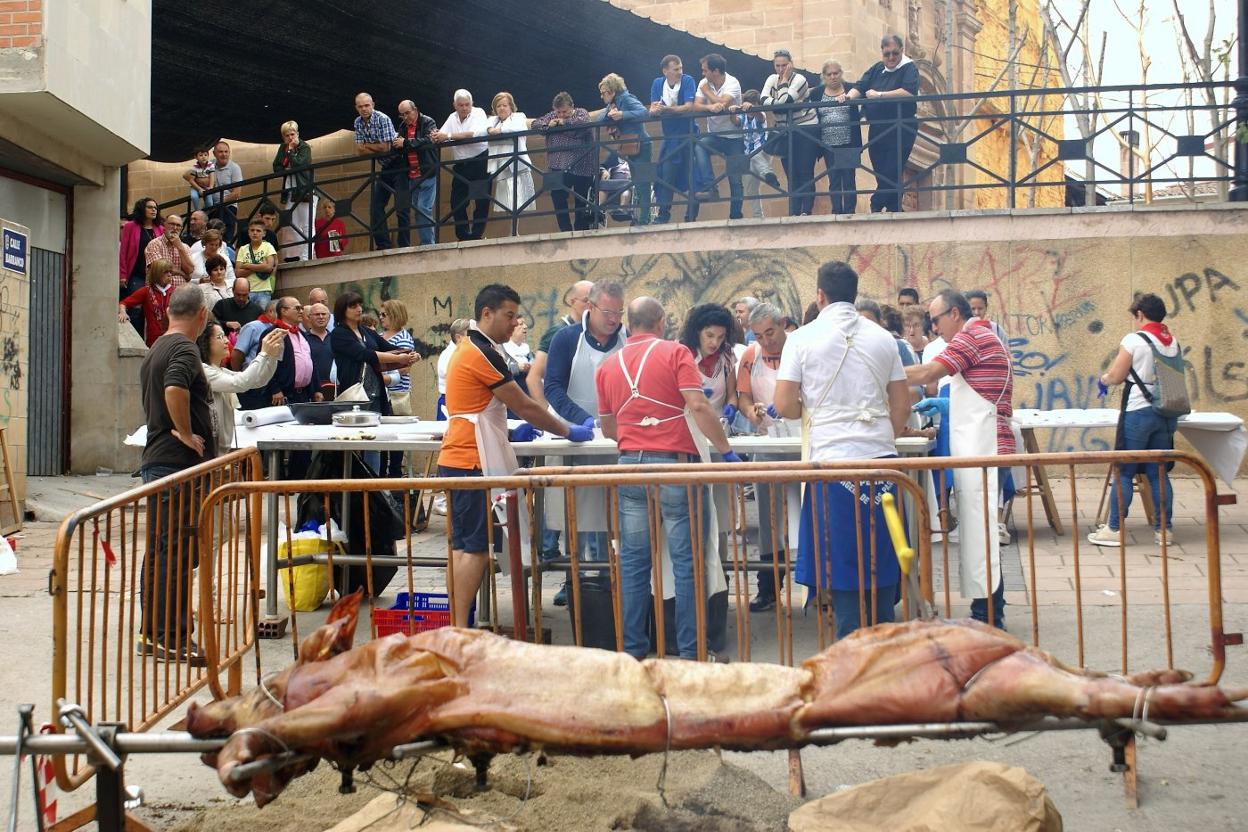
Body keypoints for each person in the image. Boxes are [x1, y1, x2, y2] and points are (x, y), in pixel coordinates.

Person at [596, 295, 741, 659]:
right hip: (677, 465)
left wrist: (637, 434)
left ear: (629, 324)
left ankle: (633, 654)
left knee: (633, 564)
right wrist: (725, 450)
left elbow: (609, 427)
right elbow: (698, 405)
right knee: (687, 563)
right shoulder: (675, 353)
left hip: (630, 468)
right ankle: (691, 654)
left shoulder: (607, 365)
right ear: (660, 321)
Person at [442, 284, 594, 626]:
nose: (514, 323)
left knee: (462, 546)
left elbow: (483, 404)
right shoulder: (480, 351)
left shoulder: (474, 347)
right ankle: (457, 628)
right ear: (487, 313)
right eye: (509, 316)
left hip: (462, 457)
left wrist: (510, 429)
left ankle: (456, 624)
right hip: (472, 461)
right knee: (476, 549)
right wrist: (569, 430)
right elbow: (524, 404)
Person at [773, 261, 910, 638]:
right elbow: (901, 404)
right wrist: (880, 435)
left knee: (841, 562)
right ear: (854, 293)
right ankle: (884, 645)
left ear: (820, 296)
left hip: (831, 461)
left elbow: (783, 405)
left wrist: (818, 414)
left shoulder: (801, 338)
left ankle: (849, 651)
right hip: (881, 461)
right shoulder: (885, 339)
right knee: (883, 554)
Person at [905, 289, 1014, 627]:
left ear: (954, 313)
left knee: (981, 531)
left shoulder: (972, 335)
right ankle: (988, 608)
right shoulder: (980, 335)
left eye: (934, 320)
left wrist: (880, 372)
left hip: (986, 444)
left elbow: (928, 374)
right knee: (979, 531)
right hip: (981, 441)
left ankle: (990, 614)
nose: (934, 329)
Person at [137, 285, 215, 665]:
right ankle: (172, 638)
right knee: (176, 553)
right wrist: (186, 433)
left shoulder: (156, 347)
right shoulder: (184, 348)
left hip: (160, 463)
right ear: (202, 315)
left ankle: (153, 634)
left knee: (161, 550)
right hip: (175, 466)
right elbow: (173, 389)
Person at [544, 280, 627, 603]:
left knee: (610, 514)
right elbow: (552, 387)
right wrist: (583, 421)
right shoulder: (566, 339)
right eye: (608, 312)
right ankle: (573, 578)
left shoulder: (626, 338)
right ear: (590, 307)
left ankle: (608, 579)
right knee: (574, 514)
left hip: (614, 437)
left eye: (618, 312)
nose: (613, 319)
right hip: (574, 436)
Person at [1088, 293, 1181, 547]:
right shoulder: (1172, 341)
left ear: (1140, 314)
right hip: (1165, 412)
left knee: (1125, 470)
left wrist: (1104, 380)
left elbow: (1117, 375)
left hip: (1138, 411)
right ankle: (1165, 531)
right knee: (1158, 472)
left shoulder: (1134, 340)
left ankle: (1115, 529)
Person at [737, 303, 802, 613]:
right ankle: (768, 587)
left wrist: (794, 404)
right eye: (759, 335)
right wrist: (751, 411)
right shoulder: (751, 356)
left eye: (771, 333)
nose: (766, 342)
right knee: (768, 519)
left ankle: (817, 588)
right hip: (768, 440)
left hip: (804, 439)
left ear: (784, 324)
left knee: (810, 513)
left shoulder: (802, 348)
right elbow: (743, 395)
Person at [839, 34, 919, 213]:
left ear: (901, 51)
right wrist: (848, 97)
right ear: (882, 53)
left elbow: (909, 91)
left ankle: (876, 203)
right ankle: (894, 206)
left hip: (901, 127)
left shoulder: (909, 68)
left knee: (892, 167)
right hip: (878, 127)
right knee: (880, 169)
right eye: (887, 54)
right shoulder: (877, 68)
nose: (891, 58)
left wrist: (880, 95)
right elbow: (860, 86)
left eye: (895, 54)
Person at [197, 320, 283, 450]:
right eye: (220, 337)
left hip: (223, 450)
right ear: (204, 342)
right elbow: (241, 382)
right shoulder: (203, 371)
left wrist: (272, 356)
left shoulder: (221, 371)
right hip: (210, 451)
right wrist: (263, 353)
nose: (226, 341)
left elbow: (259, 381)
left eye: (225, 336)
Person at [759, 48, 819, 216]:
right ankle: (794, 211)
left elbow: (786, 102)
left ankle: (806, 210)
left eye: (784, 65)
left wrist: (784, 81)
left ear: (791, 64)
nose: (780, 69)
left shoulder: (800, 79)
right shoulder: (771, 79)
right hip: (785, 132)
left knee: (805, 171)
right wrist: (776, 102)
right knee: (791, 173)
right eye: (777, 66)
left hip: (805, 129)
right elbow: (763, 100)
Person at [532, 92, 596, 232]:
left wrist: (563, 124)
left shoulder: (581, 112)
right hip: (557, 166)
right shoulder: (552, 115)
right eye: (558, 112)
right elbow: (535, 124)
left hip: (581, 165)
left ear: (572, 107)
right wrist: (549, 125)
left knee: (581, 199)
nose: (561, 115)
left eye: (565, 112)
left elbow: (583, 125)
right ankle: (565, 230)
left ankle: (581, 229)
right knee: (557, 197)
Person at [433, 89, 491, 241]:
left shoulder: (479, 113)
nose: (464, 108)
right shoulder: (452, 117)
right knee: (457, 202)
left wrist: (449, 136)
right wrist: (436, 135)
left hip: (480, 161)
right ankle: (463, 235)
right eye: (461, 105)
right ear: (454, 105)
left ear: (472, 104)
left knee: (481, 199)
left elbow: (474, 133)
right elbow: (442, 135)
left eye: (467, 104)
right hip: (461, 164)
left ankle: (477, 234)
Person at [649, 55, 700, 225]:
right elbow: (654, 107)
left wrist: (667, 110)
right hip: (670, 138)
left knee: (694, 175)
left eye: (681, 68)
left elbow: (689, 106)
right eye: (676, 69)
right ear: (665, 71)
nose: (680, 72)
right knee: (665, 175)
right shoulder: (658, 83)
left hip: (689, 135)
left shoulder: (687, 80)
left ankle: (690, 216)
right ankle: (663, 214)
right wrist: (655, 111)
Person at [692, 53, 744, 219]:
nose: (703, 74)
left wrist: (707, 93)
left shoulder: (732, 82)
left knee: (735, 180)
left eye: (705, 70)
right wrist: (709, 107)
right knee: (699, 145)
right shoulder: (703, 82)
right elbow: (696, 105)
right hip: (715, 135)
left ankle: (736, 216)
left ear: (715, 71)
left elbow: (723, 103)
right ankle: (711, 188)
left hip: (734, 137)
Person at [596, 73, 651, 224]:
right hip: (629, 146)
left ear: (612, 91)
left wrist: (622, 115)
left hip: (641, 145)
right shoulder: (613, 104)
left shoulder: (626, 98)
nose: (602, 96)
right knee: (637, 182)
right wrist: (610, 112)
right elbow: (599, 118)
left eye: (603, 93)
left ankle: (644, 219)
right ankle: (641, 218)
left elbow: (644, 112)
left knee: (642, 183)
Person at [353, 92, 403, 249]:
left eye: (367, 105)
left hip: (400, 163)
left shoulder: (382, 118)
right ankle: (383, 245)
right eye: (360, 106)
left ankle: (404, 245)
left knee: (402, 205)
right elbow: (359, 151)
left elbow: (386, 147)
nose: (364, 109)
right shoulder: (358, 122)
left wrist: (368, 146)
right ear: (356, 108)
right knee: (376, 205)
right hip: (385, 167)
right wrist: (376, 146)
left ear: (373, 105)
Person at [813, 60, 861, 215]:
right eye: (829, 74)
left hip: (848, 142)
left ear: (841, 74)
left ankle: (849, 212)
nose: (833, 77)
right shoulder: (817, 93)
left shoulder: (850, 89)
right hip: (828, 145)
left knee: (848, 179)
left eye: (836, 73)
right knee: (834, 180)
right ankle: (836, 211)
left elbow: (866, 93)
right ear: (824, 76)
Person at [392, 99, 441, 246]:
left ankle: (428, 244)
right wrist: (404, 144)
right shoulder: (402, 127)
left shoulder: (427, 122)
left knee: (423, 208)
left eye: (407, 113)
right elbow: (398, 146)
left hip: (427, 172)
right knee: (418, 210)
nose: (405, 117)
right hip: (412, 175)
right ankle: (426, 242)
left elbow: (429, 140)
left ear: (415, 110)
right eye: (402, 115)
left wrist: (406, 143)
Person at [262, 297, 324, 407]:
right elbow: (264, 364)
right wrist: (275, 389)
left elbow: (311, 362)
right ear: (283, 311)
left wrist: (317, 389)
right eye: (297, 308)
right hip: (282, 396)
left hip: (304, 395)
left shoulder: (303, 334)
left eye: (301, 308)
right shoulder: (273, 333)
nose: (301, 311)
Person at [484, 92, 536, 222]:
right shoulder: (492, 121)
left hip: (517, 165)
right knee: (506, 201)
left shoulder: (518, 117)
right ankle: (511, 231)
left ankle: (514, 231)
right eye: (498, 106)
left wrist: (499, 131)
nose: (501, 108)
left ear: (511, 107)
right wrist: (490, 128)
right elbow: (480, 130)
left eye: (505, 105)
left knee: (517, 200)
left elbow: (517, 128)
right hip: (502, 165)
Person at [273, 120, 317, 261]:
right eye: (287, 135)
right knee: (292, 224)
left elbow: (299, 164)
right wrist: (287, 164)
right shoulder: (282, 148)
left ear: (297, 134)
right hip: (290, 191)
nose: (290, 138)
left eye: (292, 134)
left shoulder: (304, 147)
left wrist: (291, 151)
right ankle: (304, 250)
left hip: (305, 190)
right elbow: (276, 167)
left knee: (307, 224)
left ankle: (306, 255)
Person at [120, 197, 163, 337]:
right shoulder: (130, 227)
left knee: (154, 309)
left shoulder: (160, 229)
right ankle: (137, 339)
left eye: (155, 207)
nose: (154, 210)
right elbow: (123, 251)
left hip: (155, 276)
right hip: (137, 274)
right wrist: (122, 275)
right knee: (137, 308)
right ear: (141, 209)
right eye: (150, 207)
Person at [738, 90, 781, 219]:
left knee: (756, 155)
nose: (750, 107)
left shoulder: (760, 114)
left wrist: (753, 108)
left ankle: (769, 175)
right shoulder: (743, 115)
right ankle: (758, 216)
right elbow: (735, 121)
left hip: (763, 151)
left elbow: (760, 116)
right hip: (748, 155)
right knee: (751, 187)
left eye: (753, 104)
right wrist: (733, 109)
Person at [119, 258, 175, 347]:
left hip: (172, 339)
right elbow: (123, 303)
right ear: (157, 274)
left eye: (170, 272)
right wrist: (123, 312)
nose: (169, 275)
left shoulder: (175, 291)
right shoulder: (146, 291)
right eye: (165, 272)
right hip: (153, 341)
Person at [380, 299, 416, 416]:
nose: (380, 317)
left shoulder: (403, 338)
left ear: (394, 315)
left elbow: (404, 368)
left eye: (384, 314)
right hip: (381, 392)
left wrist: (383, 378)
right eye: (379, 314)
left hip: (397, 394)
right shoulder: (379, 335)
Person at [235, 218, 278, 309]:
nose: (255, 233)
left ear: (264, 233)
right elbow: (238, 273)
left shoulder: (268, 246)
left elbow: (269, 267)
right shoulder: (243, 249)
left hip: (264, 291)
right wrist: (260, 266)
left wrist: (247, 265)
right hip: (247, 291)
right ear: (248, 233)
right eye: (252, 230)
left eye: (258, 231)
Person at [145, 213, 193, 288]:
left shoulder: (185, 247)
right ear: (164, 226)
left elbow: (190, 270)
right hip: (159, 291)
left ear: (181, 228)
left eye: (178, 225)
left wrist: (180, 248)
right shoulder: (154, 244)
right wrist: (183, 274)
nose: (175, 228)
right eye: (172, 224)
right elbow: (161, 269)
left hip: (180, 293)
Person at [436, 318, 471, 422]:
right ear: (458, 337)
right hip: (450, 402)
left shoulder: (465, 352)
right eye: (470, 336)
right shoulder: (448, 355)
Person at [210, 141, 243, 243]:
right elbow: (191, 173)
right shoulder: (209, 165)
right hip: (211, 207)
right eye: (220, 152)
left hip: (228, 207)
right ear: (214, 153)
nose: (224, 154)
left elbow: (237, 193)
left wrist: (220, 202)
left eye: (226, 152)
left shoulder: (234, 168)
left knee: (225, 237)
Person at [302, 301, 336, 401]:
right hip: (311, 393)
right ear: (309, 317)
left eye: (324, 314)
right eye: (317, 314)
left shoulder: (337, 339)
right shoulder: (303, 339)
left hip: (336, 391)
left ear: (329, 317)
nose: (321, 317)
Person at [183, 145, 216, 211]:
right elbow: (191, 180)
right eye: (201, 155)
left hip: (207, 187)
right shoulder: (195, 167)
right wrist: (199, 189)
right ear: (196, 157)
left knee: (210, 203)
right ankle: (198, 212)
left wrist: (211, 187)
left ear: (208, 156)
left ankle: (206, 214)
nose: (203, 157)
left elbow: (212, 176)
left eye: (205, 155)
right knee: (194, 197)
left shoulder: (210, 165)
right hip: (196, 187)